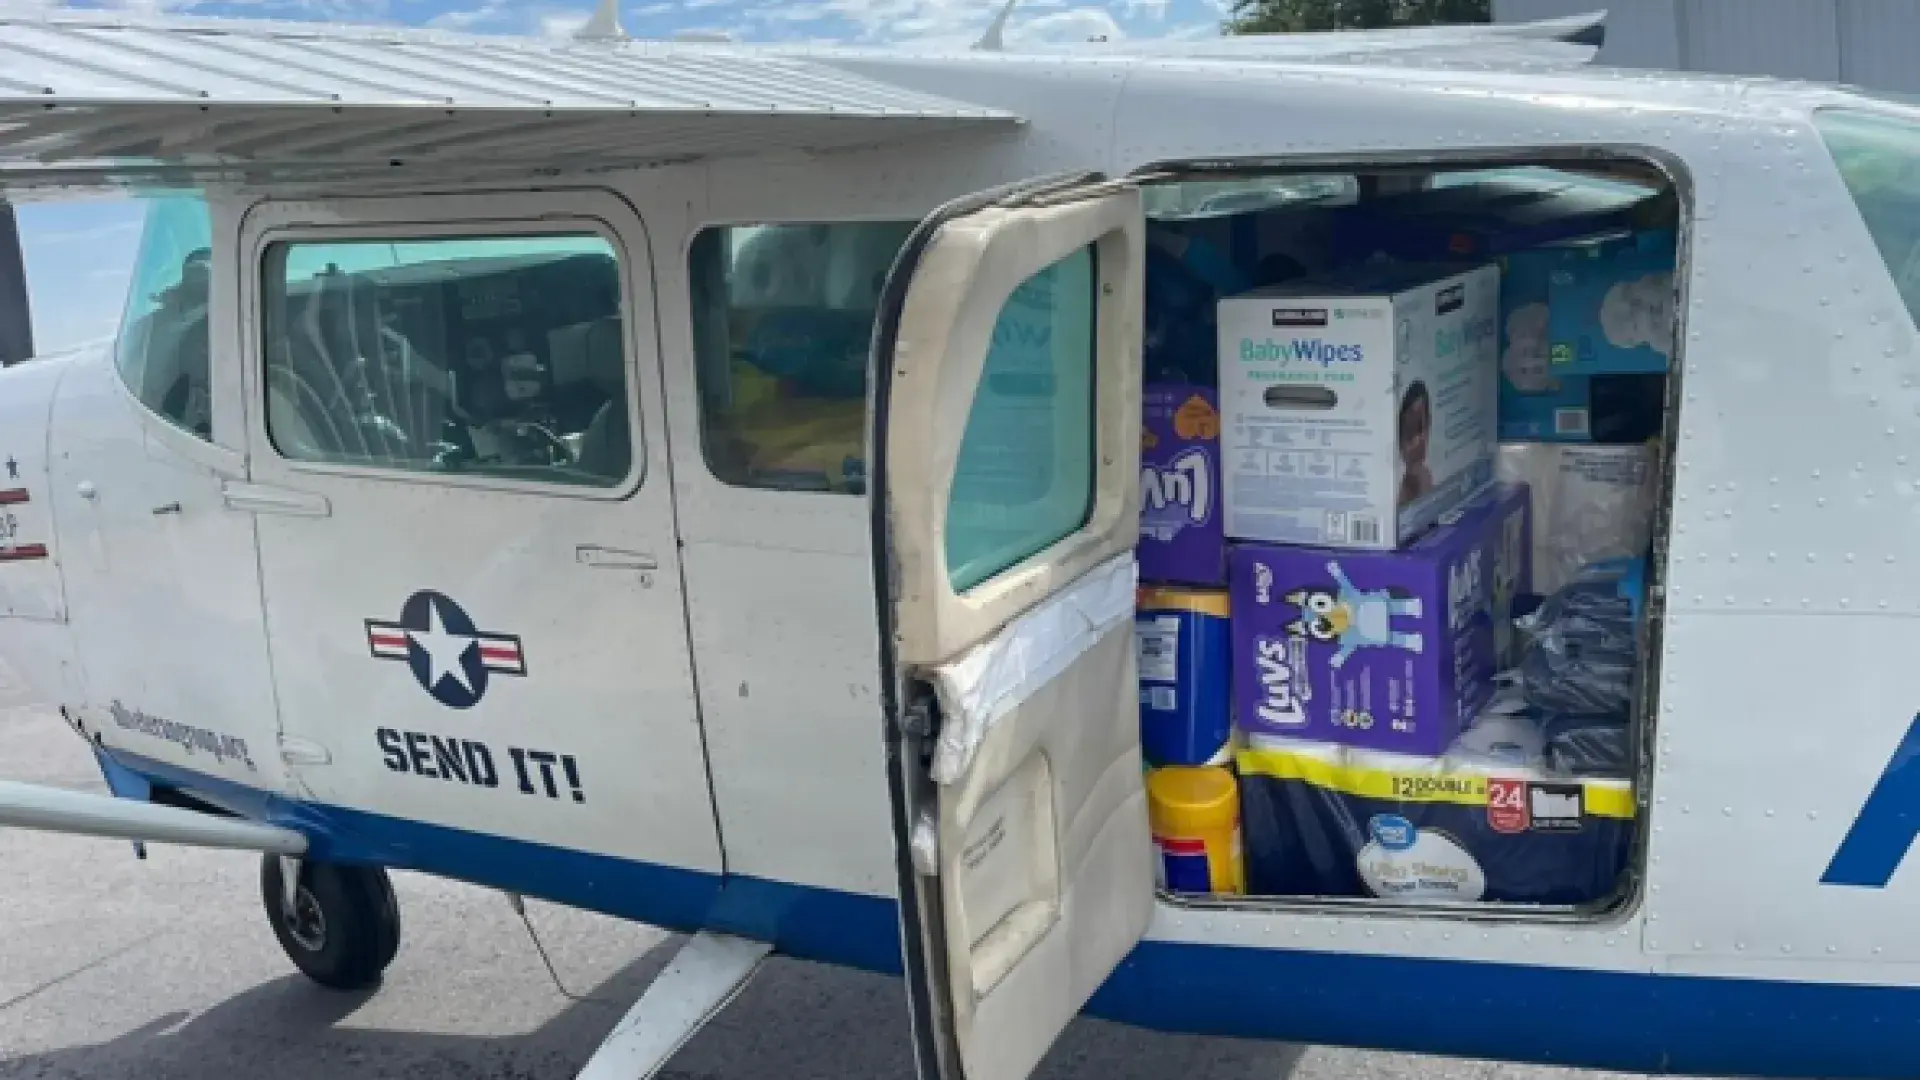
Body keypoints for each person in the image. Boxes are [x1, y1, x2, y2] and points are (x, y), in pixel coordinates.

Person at [1396, 379, 1433, 506]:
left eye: (1423, 428)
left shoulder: (1426, 476)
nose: (1419, 440)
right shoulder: (1391, 482)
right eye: (1411, 430)